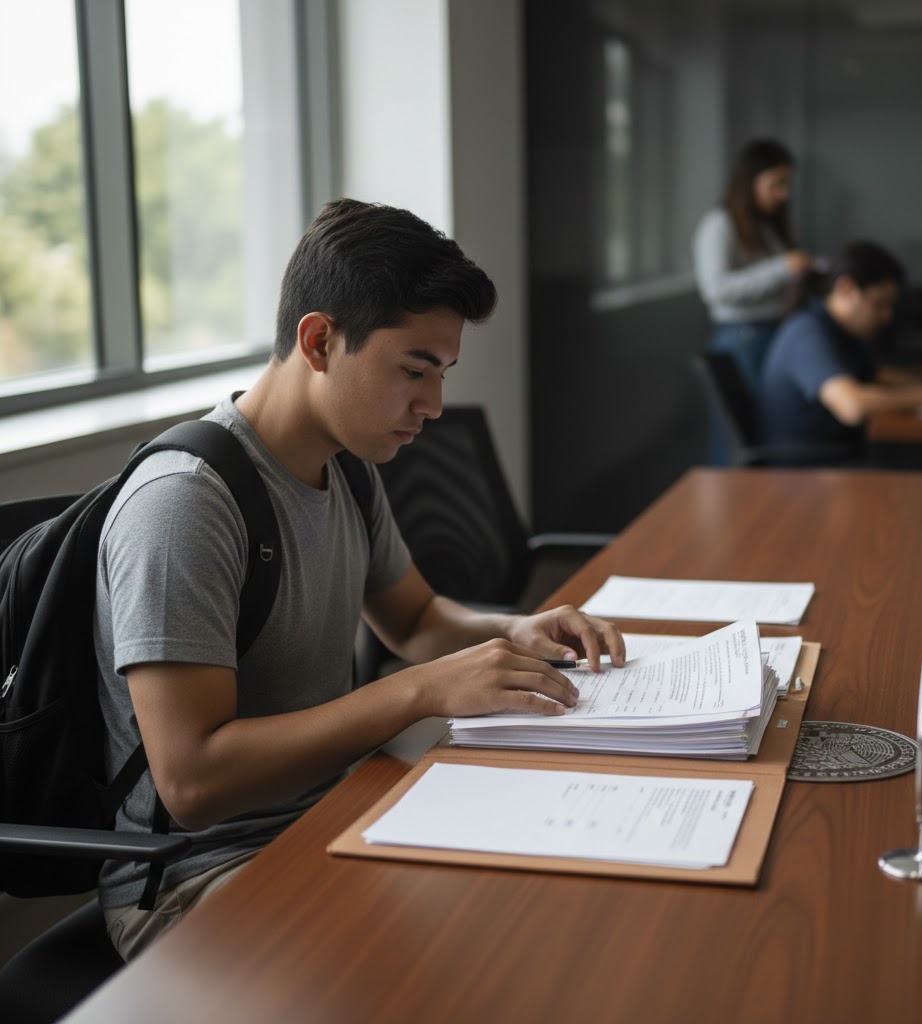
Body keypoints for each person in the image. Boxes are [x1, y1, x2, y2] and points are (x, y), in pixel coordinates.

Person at [95, 198, 626, 961]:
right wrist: (418, 690)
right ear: (319, 341)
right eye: (414, 370)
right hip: (197, 879)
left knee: (554, 911)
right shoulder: (187, 503)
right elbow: (193, 781)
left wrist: (513, 630)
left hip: (339, 808)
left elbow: (412, 622)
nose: (433, 407)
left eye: (440, 374)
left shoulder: (346, 468)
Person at [759, 240, 922, 455]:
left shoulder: (841, 330)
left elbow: (879, 375)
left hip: (838, 459)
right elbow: (852, 406)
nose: (887, 317)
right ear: (846, 288)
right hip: (807, 473)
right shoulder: (807, 334)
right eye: (879, 304)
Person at [693, 138, 812, 394]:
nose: (784, 194)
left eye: (786, 184)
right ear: (750, 182)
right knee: (742, 428)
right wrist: (783, 268)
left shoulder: (766, 227)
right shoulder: (719, 225)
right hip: (743, 339)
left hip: (775, 332)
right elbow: (716, 290)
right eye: (776, 184)